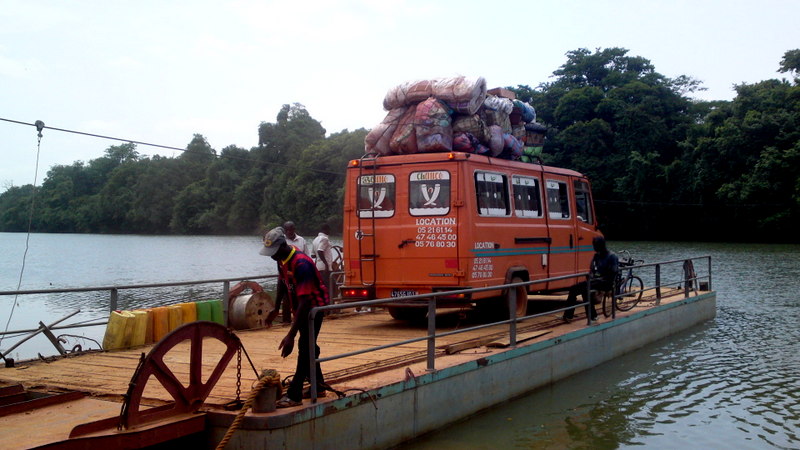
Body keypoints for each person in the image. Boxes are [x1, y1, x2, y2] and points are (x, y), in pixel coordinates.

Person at [260, 226, 330, 407]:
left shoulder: (302, 264)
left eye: (274, 252)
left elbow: (306, 302)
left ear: (283, 245)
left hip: (314, 308)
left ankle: (295, 394)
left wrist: (290, 334)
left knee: (304, 347)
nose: (272, 256)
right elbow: (282, 282)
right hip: (300, 307)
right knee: (309, 345)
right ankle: (319, 386)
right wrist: (275, 308)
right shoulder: (282, 259)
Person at [563, 236, 619, 322]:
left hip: (606, 282)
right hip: (595, 281)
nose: (594, 248)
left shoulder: (612, 257)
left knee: (586, 290)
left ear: (601, 245)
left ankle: (593, 316)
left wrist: (602, 282)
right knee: (573, 289)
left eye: (595, 246)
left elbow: (613, 273)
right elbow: (592, 269)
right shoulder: (596, 256)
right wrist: (591, 276)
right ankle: (568, 315)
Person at [268, 221, 308, 325]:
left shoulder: (301, 240)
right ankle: (286, 320)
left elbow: (306, 255)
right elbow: (279, 261)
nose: (290, 231)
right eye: (288, 230)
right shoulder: (281, 241)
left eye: (292, 229)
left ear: (294, 229)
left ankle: (300, 318)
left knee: (299, 296)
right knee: (286, 297)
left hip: (299, 273)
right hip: (285, 272)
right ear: (285, 231)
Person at [312, 224, 333, 290]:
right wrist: (326, 264)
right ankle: (329, 300)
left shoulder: (315, 239)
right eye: (329, 230)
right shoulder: (325, 239)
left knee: (321, 286)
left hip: (318, 267)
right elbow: (320, 251)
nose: (329, 231)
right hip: (325, 268)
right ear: (326, 230)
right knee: (329, 287)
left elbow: (313, 255)